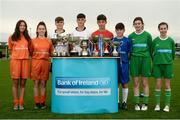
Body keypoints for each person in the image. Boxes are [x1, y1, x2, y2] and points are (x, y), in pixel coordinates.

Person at [128, 17, 152, 111]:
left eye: (139, 23)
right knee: (135, 83)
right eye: (135, 23)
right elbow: (130, 50)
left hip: (145, 59)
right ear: (133, 25)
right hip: (134, 60)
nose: (137, 25)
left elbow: (150, 48)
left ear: (142, 24)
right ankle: (137, 104)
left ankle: (145, 104)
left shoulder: (147, 35)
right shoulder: (131, 36)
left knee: (145, 82)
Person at [152, 22, 175, 112]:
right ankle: (157, 105)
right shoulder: (155, 41)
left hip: (168, 65)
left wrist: (168, 61)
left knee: (167, 85)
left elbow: (173, 54)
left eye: (164, 28)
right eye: (161, 28)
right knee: (158, 84)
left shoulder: (171, 41)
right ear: (159, 30)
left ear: (167, 29)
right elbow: (151, 53)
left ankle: (167, 105)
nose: (163, 30)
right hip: (157, 65)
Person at [8, 20, 31, 110]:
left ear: (25, 27)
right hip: (15, 62)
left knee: (22, 84)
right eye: (21, 25)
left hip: (25, 61)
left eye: (24, 25)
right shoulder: (12, 37)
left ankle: (21, 103)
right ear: (17, 26)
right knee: (15, 83)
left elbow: (30, 50)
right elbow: (10, 49)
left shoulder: (28, 38)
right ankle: (15, 103)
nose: (22, 27)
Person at [30, 21, 54, 109]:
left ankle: (42, 102)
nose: (41, 30)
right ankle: (37, 102)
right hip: (36, 62)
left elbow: (52, 52)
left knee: (43, 83)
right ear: (37, 30)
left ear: (45, 30)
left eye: (43, 29)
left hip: (45, 63)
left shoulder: (49, 41)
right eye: (40, 29)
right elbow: (31, 52)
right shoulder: (32, 41)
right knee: (36, 83)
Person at [113, 23, 132, 110]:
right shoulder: (113, 40)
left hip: (124, 64)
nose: (119, 31)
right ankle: (116, 101)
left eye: (121, 29)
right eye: (117, 29)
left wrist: (126, 60)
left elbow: (129, 53)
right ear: (115, 30)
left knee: (124, 83)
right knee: (116, 83)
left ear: (124, 30)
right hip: (115, 64)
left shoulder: (127, 40)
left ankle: (124, 102)